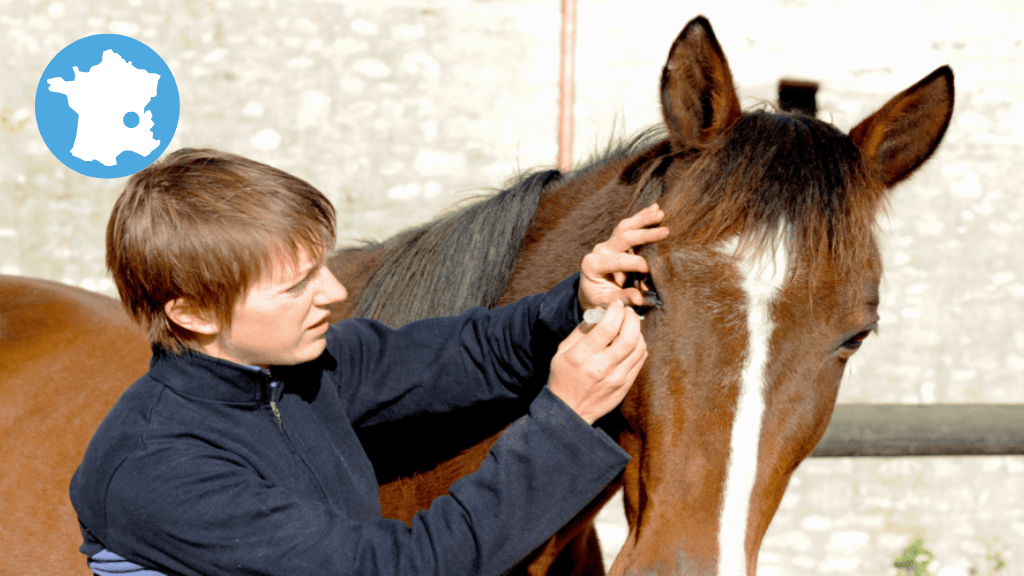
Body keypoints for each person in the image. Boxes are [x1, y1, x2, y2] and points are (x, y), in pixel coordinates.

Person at [70, 148, 669, 576]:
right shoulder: (159, 471)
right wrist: (563, 422)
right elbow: (399, 568)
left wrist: (577, 300)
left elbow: (468, 352)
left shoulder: (295, 374)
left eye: (322, 267)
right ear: (195, 313)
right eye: (296, 285)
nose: (331, 293)